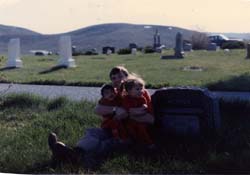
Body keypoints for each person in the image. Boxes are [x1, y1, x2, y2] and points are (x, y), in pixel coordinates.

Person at [48, 66, 154, 169]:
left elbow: (150, 119)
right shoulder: (113, 94)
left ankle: (72, 156)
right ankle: (71, 152)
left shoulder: (139, 92)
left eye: (120, 76)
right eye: (113, 78)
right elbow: (98, 109)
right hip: (111, 128)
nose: (117, 80)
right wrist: (115, 109)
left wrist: (129, 113)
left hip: (131, 133)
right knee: (93, 133)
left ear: (128, 77)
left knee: (107, 143)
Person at [122, 77, 154, 147]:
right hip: (130, 121)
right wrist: (138, 111)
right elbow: (129, 110)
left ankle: (148, 143)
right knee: (128, 129)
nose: (141, 91)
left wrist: (138, 111)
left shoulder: (142, 98)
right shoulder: (126, 99)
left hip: (140, 119)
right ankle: (132, 141)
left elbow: (145, 108)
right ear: (129, 91)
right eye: (137, 89)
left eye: (142, 88)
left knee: (141, 128)